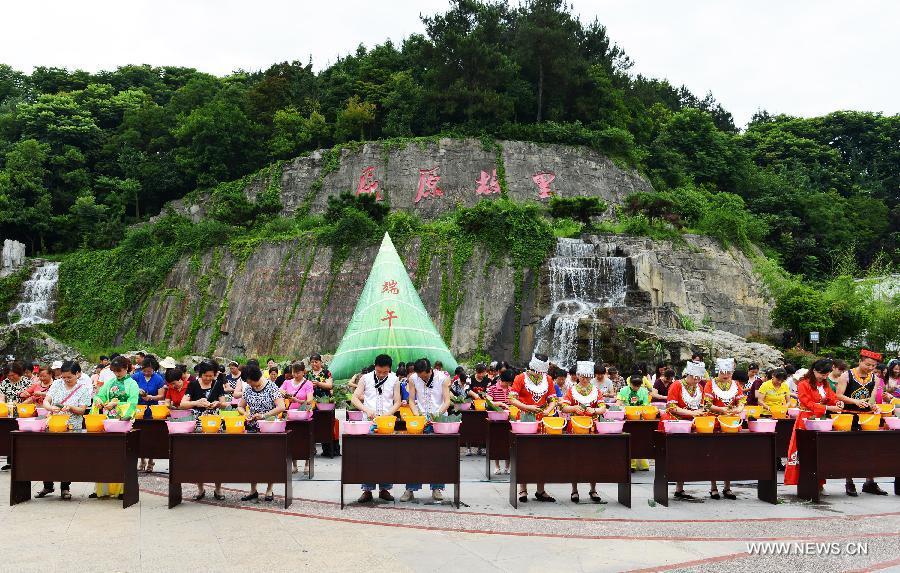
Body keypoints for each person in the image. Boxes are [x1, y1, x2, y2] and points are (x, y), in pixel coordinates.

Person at [784, 359, 845, 492]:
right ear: (814, 370)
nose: (824, 377)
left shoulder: (825, 383)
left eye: (826, 375)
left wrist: (837, 402)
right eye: (821, 374)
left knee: (818, 450)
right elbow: (807, 403)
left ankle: (819, 481)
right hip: (805, 420)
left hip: (820, 419)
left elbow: (831, 396)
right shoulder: (803, 384)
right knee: (803, 450)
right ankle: (802, 480)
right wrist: (828, 408)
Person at [835, 349, 888, 496]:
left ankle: (870, 482)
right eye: (868, 364)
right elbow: (838, 395)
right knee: (850, 450)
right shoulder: (847, 375)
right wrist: (855, 401)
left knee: (870, 449)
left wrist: (874, 405)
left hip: (867, 417)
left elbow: (871, 399)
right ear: (860, 361)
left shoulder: (875, 379)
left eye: (873, 365)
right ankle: (849, 482)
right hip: (849, 416)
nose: (871, 368)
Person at [37, 361, 92, 500]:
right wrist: (50, 408)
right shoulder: (56, 384)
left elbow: (82, 410)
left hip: (72, 427)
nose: (66, 380)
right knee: (48, 456)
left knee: (68, 458)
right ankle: (47, 485)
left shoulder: (84, 388)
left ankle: (65, 487)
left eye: (69, 377)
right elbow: (46, 400)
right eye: (64, 377)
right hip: (54, 425)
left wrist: (71, 408)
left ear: (77, 374)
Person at [350, 353, 401, 503]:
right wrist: (366, 410)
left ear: (390, 369)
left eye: (385, 372)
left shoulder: (394, 379)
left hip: (386, 423)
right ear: (375, 366)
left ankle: (385, 489)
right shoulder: (365, 378)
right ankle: (367, 490)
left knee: (386, 456)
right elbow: (354, 398)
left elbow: (397, 401)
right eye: (379, 371)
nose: (381, 374)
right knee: (368, 456)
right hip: (369, 422)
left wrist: (388, 414)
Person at [508, 353, 559, 503]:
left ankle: (540, 490)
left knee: (542, 456)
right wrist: (527, 407)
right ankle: (522, 489)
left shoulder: (548, 379)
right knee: (524, 454)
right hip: (524, 420)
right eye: (536, 372)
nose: (538, 375)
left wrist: (548, 410)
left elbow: (553, 399)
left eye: (541, 373)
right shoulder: (520, 378)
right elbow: (511, 399)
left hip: (542, 422)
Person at [401, 357, 451, 502]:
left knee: (437, 456)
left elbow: (447, 401)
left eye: (425, 376)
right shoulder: (413, 379)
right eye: (420, 376)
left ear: (430, 370)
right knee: (414, 456)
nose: (423, 379)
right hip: (420, 421)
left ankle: (437, 489)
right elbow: (411, 400)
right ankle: (410, 489)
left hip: (438, 420)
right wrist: (417, 415)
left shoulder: (443, 378)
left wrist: (436, 415)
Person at [92, 355, 139, 499]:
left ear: (126, 369)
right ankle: (102, 489)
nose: (117, 374)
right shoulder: (110, 382)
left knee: (121, 456)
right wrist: (99, 401)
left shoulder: (132, 384)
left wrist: (116, 404)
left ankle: (122, 490)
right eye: (114, 371)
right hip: (108, 422)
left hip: (123, 422)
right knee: (104, 456)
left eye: (119, 371)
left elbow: (132, 403)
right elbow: (98, 395)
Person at [237, 364, 286, 502]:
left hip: (269, 428)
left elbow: (281, 407)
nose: (249, 384)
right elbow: (240, 406)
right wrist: (246, 413)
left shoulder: (271, 387)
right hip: (252, 428)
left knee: (269, 459)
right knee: (252, 460)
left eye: (250, 381)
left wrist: (264, 415)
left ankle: (269, 489)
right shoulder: (248, 389)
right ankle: (253, 490)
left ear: (255, 378)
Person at [661, 361, 708, 499]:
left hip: (691, 423)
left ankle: (680, 487)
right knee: (676, 456)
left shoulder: (699, 387)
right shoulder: (676, 385)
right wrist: (692, 413)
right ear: (688, 375)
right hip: (676, 423)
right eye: (695, 377)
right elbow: (671, 407)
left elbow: (702, 404)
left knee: (687, 456)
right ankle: (674, 486)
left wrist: (702, 411)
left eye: (699, 378)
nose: (697, 380)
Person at [562, 361, 607, 503]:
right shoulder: (572, 390)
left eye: (588, 377)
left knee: (593, 459)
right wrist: (574, 408)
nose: (585, 379)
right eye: (582, 377)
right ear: (578, 376)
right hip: (575, 426)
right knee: (574, 458)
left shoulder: (595, 391)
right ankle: (574, 490)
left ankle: (593, 489)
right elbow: (563, 407)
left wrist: (594, 410)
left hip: (591, 427)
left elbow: (603, 408)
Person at [181, 361, 227, 501]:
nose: (208, 378)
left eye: (211, 376)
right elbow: (183, 404)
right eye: (206, 376)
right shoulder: (193, 384)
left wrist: (218, 403)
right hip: (198, 425)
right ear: (200, 374)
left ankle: (218, 489)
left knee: (218, 457)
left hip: (215, 424)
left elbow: (224, 403)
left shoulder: (217, 384)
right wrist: (196, 403)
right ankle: (200, 488)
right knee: (198, 457)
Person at [703, 357, 745, 500]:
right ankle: (713, 487)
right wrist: (722, 410)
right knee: (713, 454)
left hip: (730, 423)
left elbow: (741, 402)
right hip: (714, 423)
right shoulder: (710, 384)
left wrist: (737, 409)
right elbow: (707, 405)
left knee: (729, 454)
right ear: (718, 371)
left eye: (728, 372)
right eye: (723, 372)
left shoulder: (735, 384)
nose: (726, 375)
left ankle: (727, 487)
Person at [616, 373, 651, 471]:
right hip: (627, 419)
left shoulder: (644, 391)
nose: (636, 387)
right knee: (629, 440)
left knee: (640, 440)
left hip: (639, 419)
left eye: (638, 385)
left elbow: (646, 405)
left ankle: (643, 464)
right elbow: (618, 403)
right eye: (634, 385)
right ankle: (631, 464)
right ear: (630, 383)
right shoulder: (624, 390)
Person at [307, 353, 340, 456]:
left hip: (325, 403)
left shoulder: (326, 372)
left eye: (316, 362)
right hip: (312, 403)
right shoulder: (308, 374)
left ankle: (328, 450)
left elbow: (330, 385)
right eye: (312, 362)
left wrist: (318, 384)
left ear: (320, 362)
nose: (314, 364)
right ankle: (312, 449)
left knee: (327, 425)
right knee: (313, 425)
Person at [487, 368, 514, 475]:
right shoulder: (492, 388)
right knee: (496, 443)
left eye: (509, 383)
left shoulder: (511, 390)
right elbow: (488, 401)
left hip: (509, 420)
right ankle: (497, 466)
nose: (508, 385)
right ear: (502, 380)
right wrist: (500, 404)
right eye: (507, 382)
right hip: (496, 420)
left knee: (509, 443)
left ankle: (507, 467)